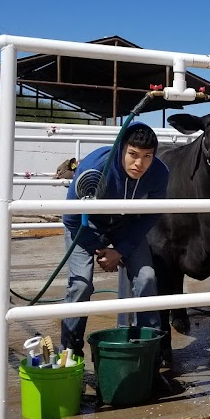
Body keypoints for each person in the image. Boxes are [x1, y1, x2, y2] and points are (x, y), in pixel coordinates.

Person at [60, 123, 168, 358]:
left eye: (147, 156)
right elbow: (70, 218)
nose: (139, 164)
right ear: (121, 149)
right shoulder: (95, 168)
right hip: (85, 226)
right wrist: (100, 249)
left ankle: (150, 349)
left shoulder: (159, 173)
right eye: (133, 154)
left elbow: (152, 215)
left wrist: (120, 250)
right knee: (80, 285)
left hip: (125, 225)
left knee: (147, 277)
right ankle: (70, 349)